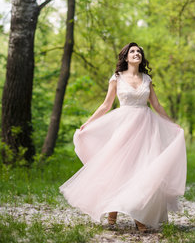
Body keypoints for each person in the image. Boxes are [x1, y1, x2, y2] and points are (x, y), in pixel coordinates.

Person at [59, 42, 187, 232]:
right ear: (126, 57)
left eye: (139, 51)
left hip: (146, 128)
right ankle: (113, 208)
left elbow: (157, 106)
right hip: (124, 126)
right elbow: (106, 105)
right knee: (119, 168)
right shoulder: (117, 78)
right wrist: (89, 123)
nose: (136, 53)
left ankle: (139, 214)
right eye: (132, 51)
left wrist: (171, 123)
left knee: (144, 169)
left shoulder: (147, 79)